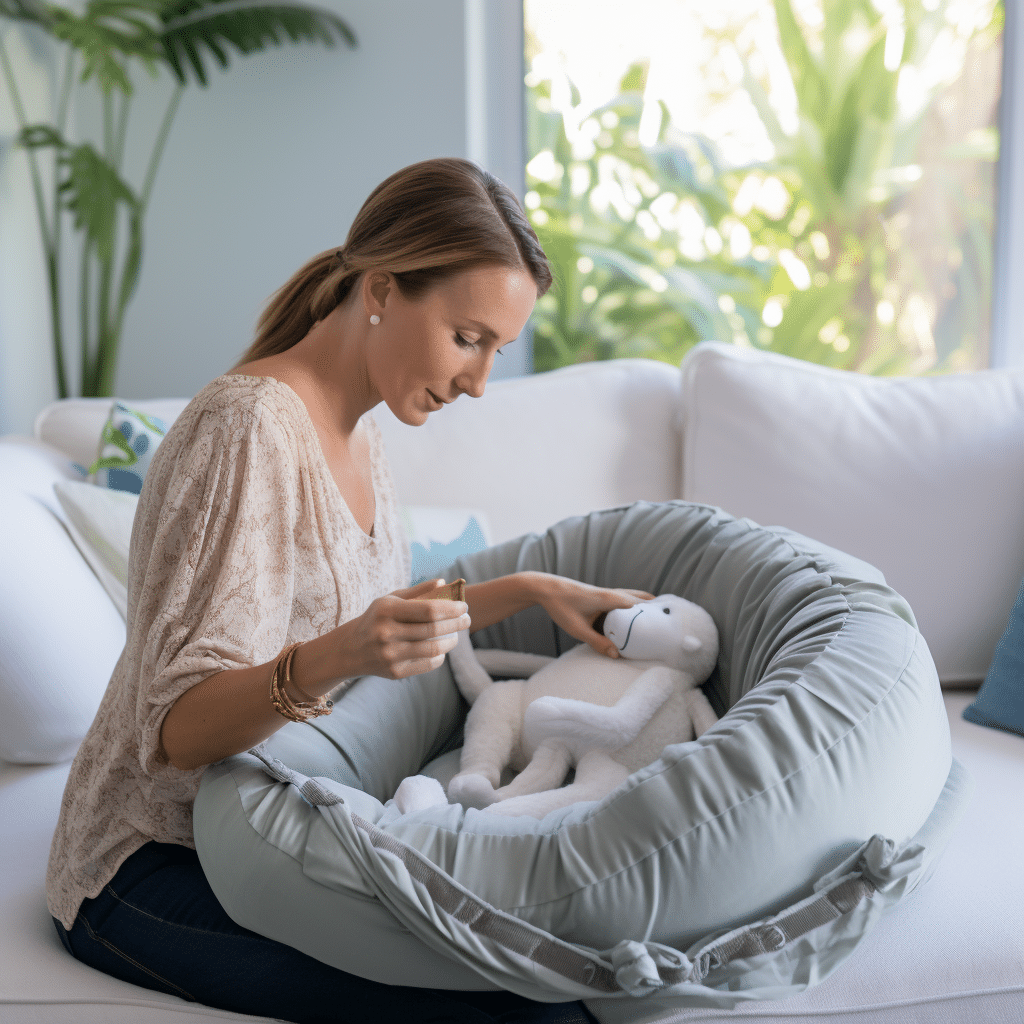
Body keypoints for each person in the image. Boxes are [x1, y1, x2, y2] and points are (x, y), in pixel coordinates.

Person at [46, 157, 654, 1024]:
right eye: (467, 337)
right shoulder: (248, 429)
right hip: (148, 865)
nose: (480, 382)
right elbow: (177, 730)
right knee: (526, 1008)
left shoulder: (363, 432)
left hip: (280, 834)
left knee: (548, 969)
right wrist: (339, 657)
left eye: (496, 351)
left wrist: (529, 589)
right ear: (381, 289)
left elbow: (374, 615)